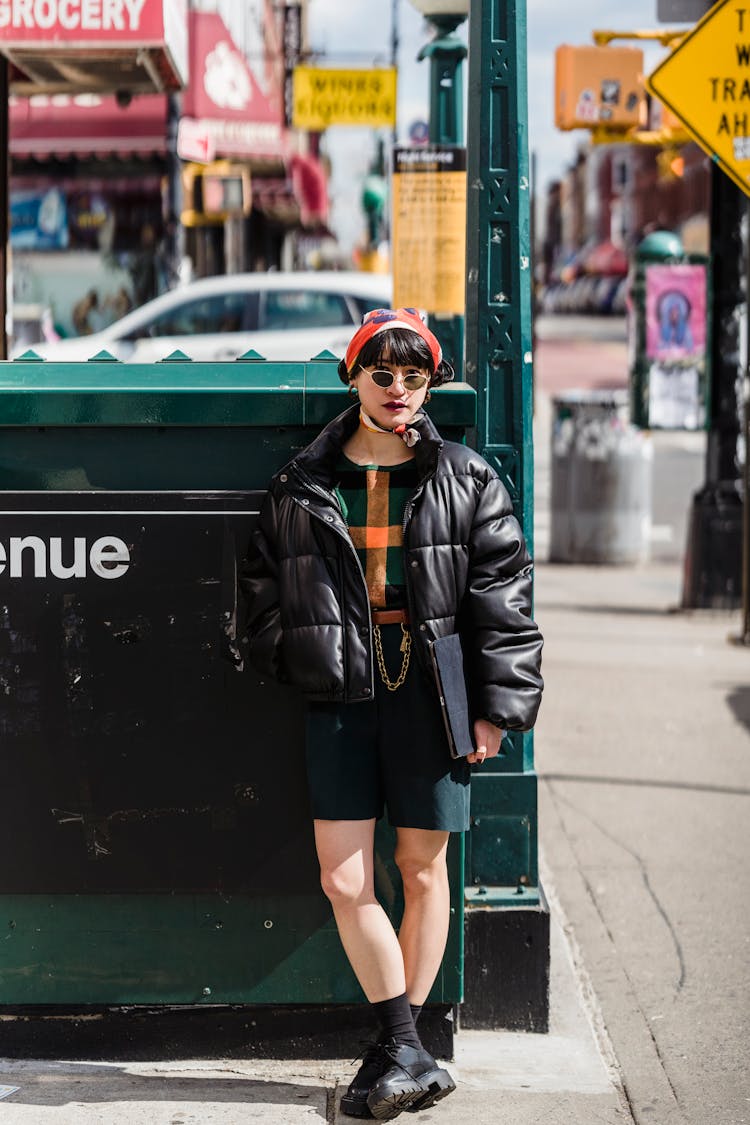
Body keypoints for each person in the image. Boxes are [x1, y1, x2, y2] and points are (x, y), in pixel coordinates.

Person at [241, 308, 543, 1121]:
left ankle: (402, 1047)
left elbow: (506, 601)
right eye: (383, 375)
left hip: (432, 686)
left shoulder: (467, 477)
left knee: (420, 869)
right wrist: (291, 650)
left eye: (415, 377)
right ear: (355, 377)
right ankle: (407, 1045)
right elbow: (259, 587)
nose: (400, 391)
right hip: (340, 685)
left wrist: (497, 710)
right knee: (344, 875)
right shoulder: (302, 482)